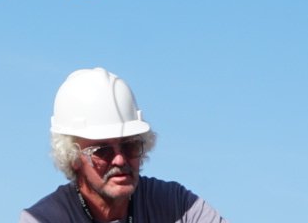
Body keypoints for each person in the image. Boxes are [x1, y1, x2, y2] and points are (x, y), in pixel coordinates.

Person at [21, 68, 226, 223]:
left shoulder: (178, 204)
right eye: (103, 151)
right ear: (73, 158)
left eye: (130, 146)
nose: (119, 159)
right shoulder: (43, 219)